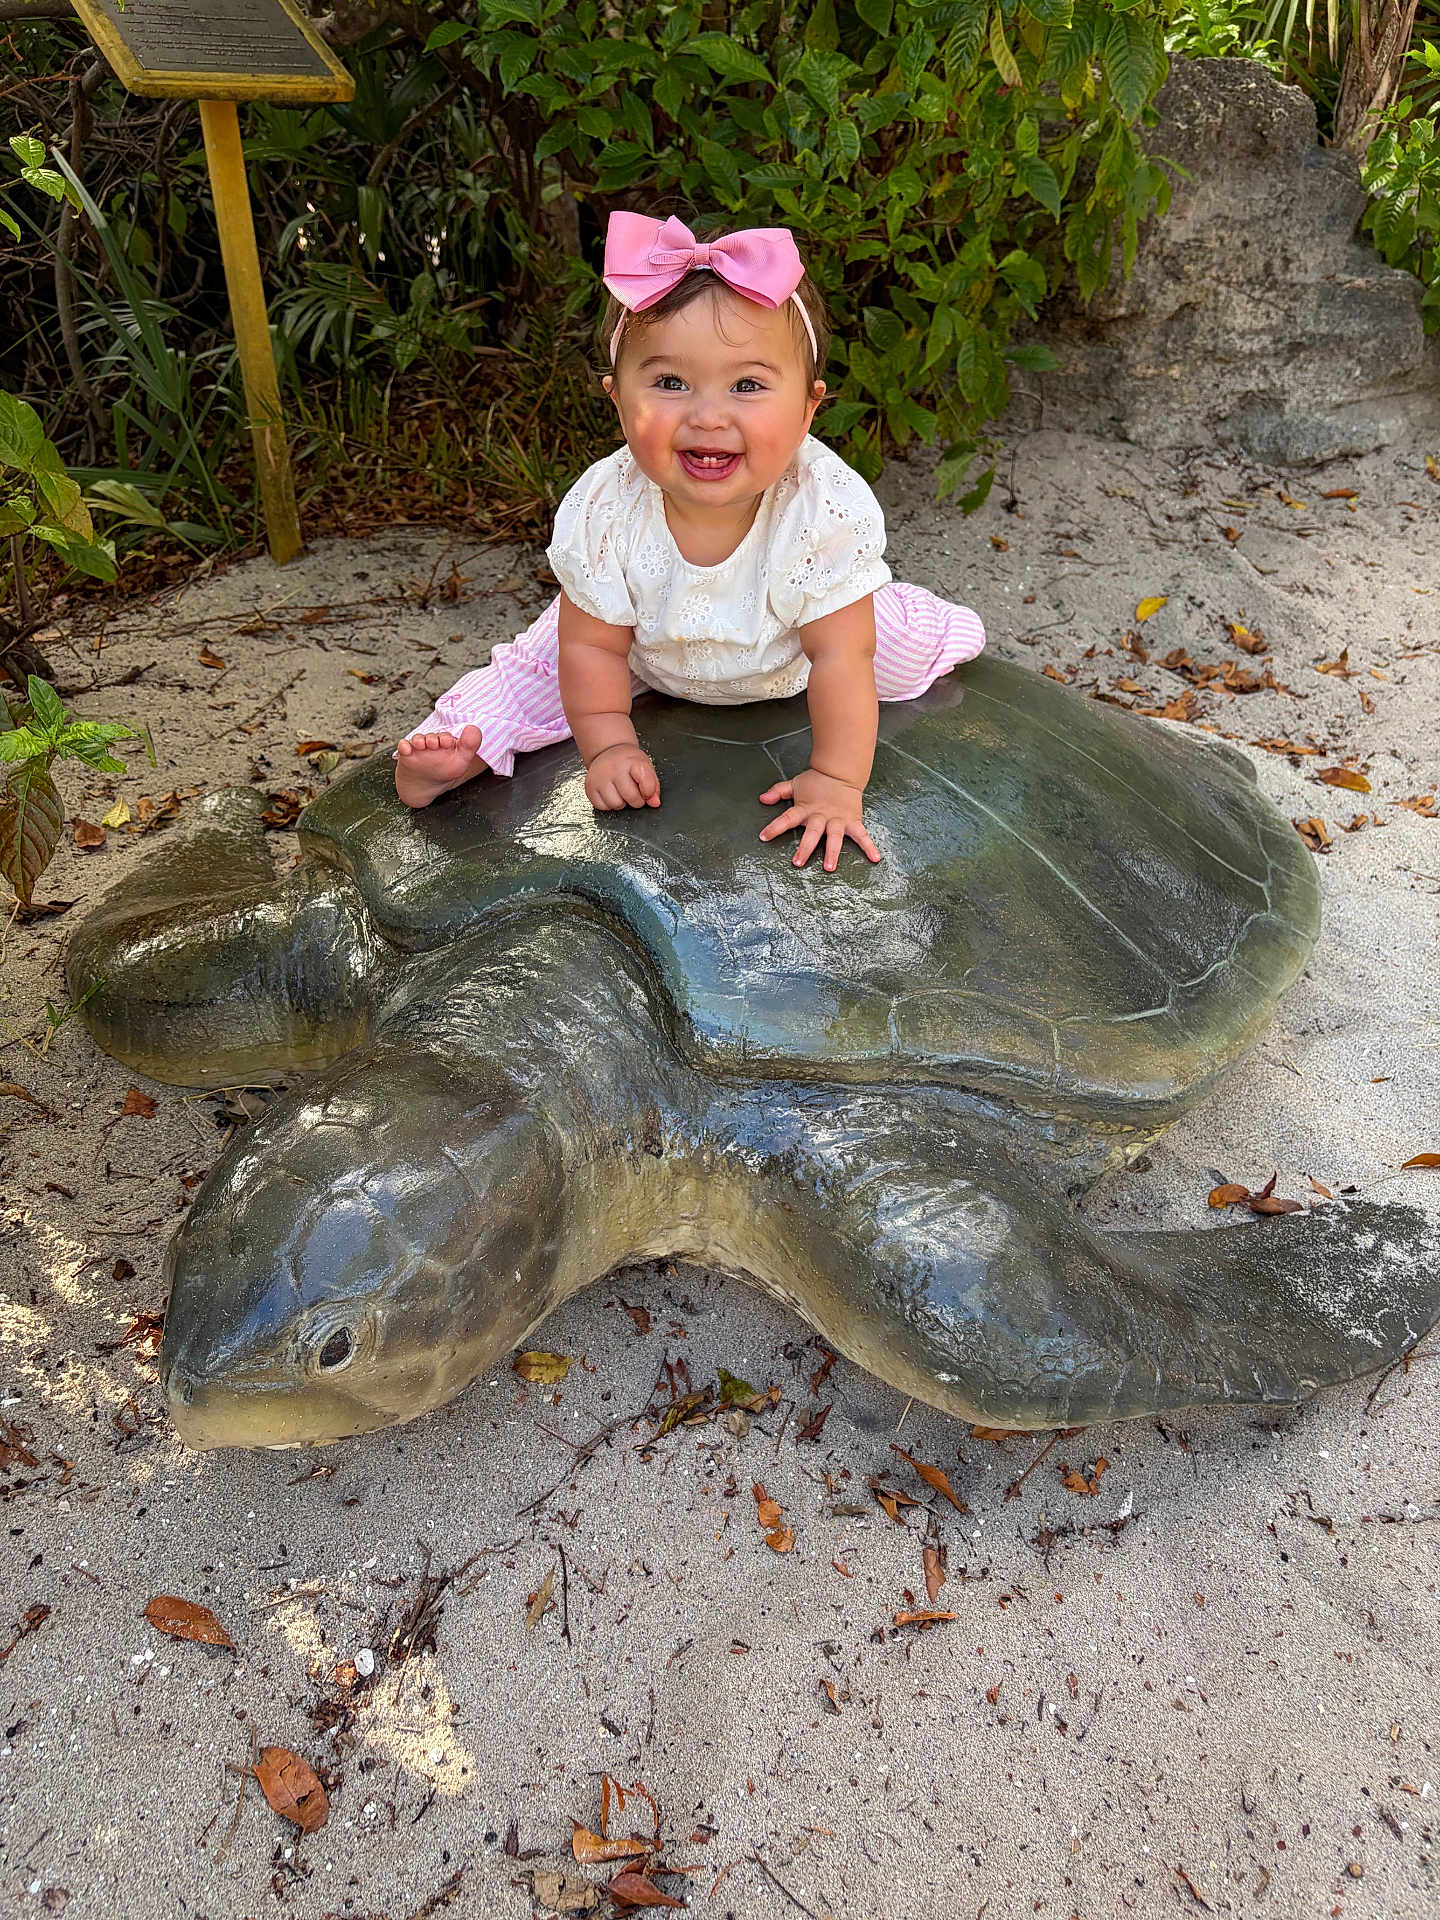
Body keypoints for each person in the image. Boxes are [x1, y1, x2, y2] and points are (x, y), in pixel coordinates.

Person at [393, 211, 985, 872]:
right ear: (617, 398)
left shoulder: (821, 510)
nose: (708, 415)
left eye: (748, 385)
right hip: (647, 651)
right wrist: (610, 744)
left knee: (891, 641)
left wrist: (837, 781)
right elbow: (591, 644)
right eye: (670, 383)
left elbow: (844, 657)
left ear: (809, 408)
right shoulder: (605, 510)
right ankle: (453, 746)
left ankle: (945, 626)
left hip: (793, 643)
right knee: (534, 664)